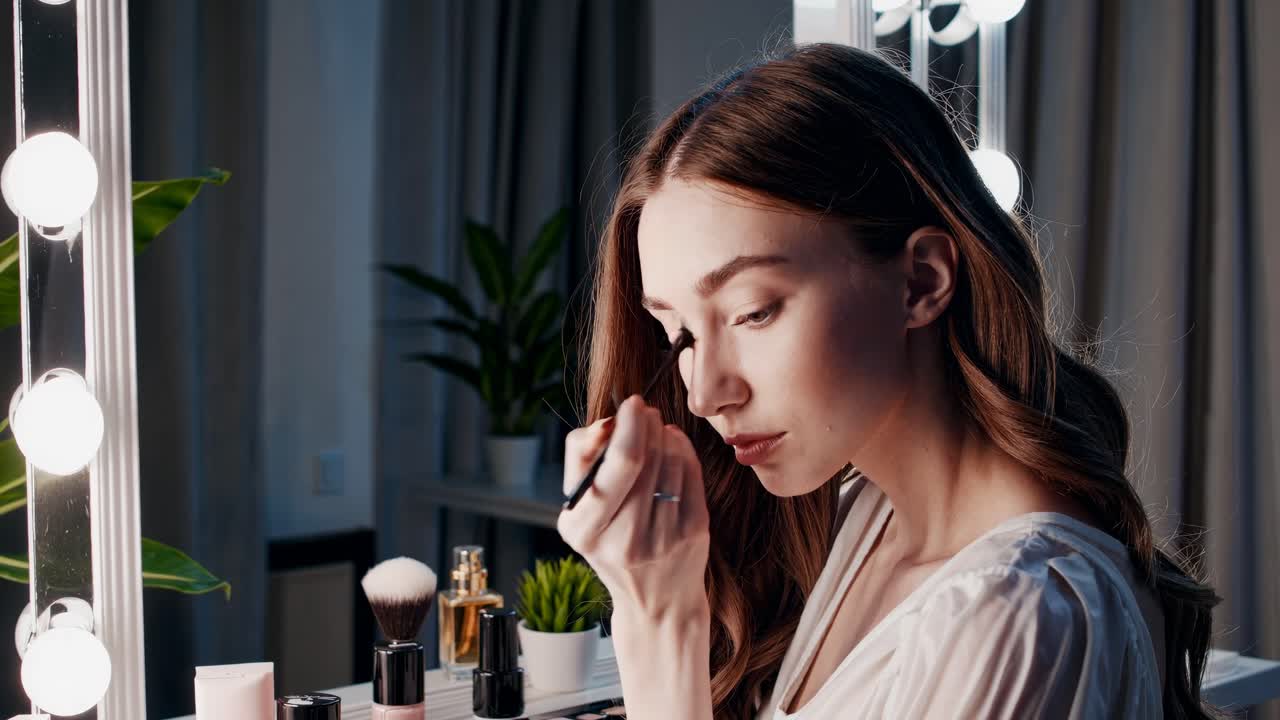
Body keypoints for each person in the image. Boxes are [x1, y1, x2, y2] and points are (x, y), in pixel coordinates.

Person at [555, 42, 1219, 719]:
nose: (704, 395)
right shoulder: (863, 515)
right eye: (682, 336)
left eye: (754, 312)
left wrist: (661, 626)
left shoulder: (1018, 618)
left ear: (921, 280)